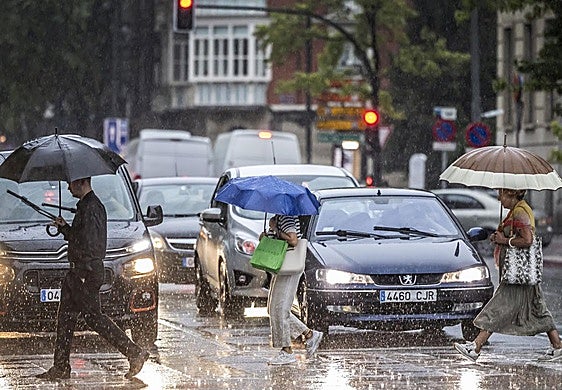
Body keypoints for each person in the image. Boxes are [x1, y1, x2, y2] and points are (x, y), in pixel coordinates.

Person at [36, 177, 150, 380]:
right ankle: (61, 366)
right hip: (77, 272)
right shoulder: (85, 207)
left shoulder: (93, 208)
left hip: (85, 273)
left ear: (81, 182)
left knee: (94, 318)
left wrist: (83, 271)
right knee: (65, 319)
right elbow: (81, 238)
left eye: (70, 183)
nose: (68, 187)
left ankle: (134, 352)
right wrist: (65, 228)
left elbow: (93, 244)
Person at [454, 188, 562, 362]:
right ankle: (557, 345)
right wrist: (500, 236)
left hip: (517, 274)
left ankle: (475, 346)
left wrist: (504, 240)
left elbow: (527, 240)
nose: (499, 198)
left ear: (512, 194)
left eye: (502, 194)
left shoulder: (520, 211)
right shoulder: (517, 210)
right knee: (538, 307)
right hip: (524, 273)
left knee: (498, 307)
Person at [262, 214, 323, 365]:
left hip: (289, 267)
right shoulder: (278, 217)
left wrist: (276, 229)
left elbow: (293, 240)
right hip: (281, 267)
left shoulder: (286, 217)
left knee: (280, 308)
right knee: (273, 308)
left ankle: (287, 351)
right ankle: (309, 335)